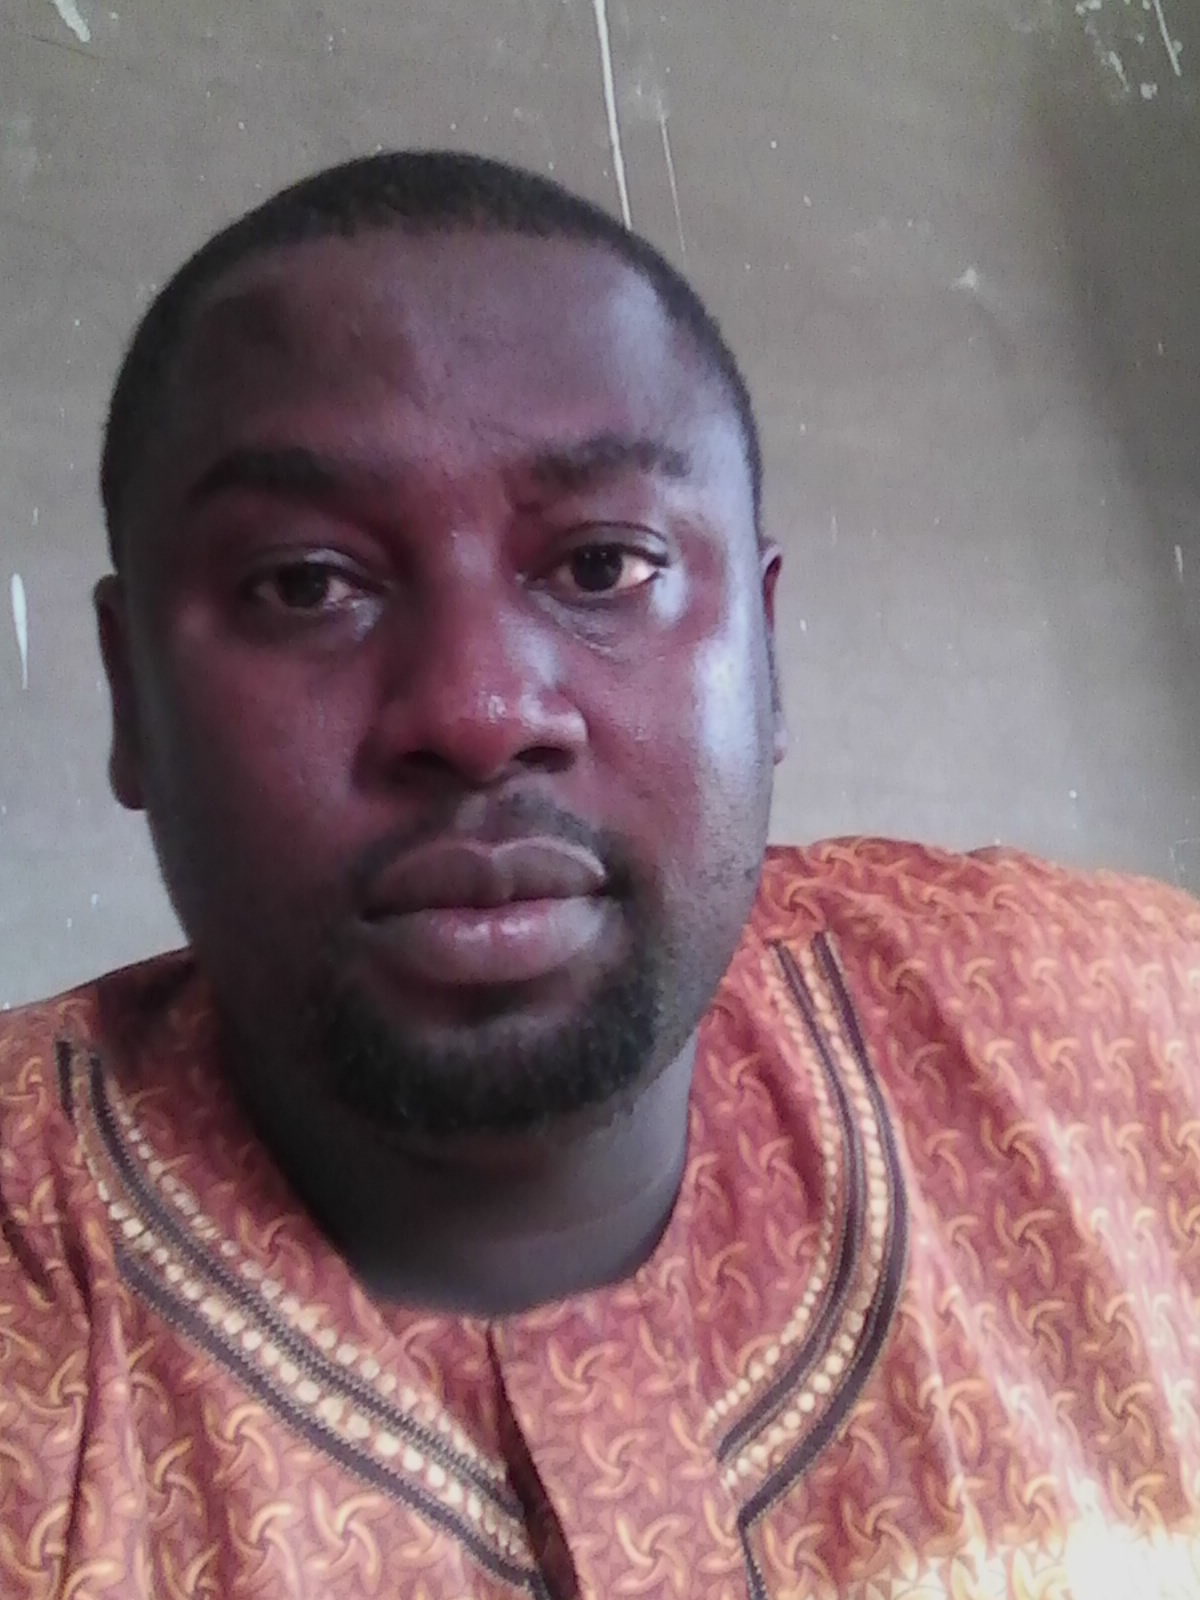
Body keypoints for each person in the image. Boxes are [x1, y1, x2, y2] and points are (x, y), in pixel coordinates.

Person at [1, 150, 1198, 1600]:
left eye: (601, 567)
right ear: (132, 695)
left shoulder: (1131, 1028)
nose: (477, 711)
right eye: (307, 583)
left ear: (764, 658)